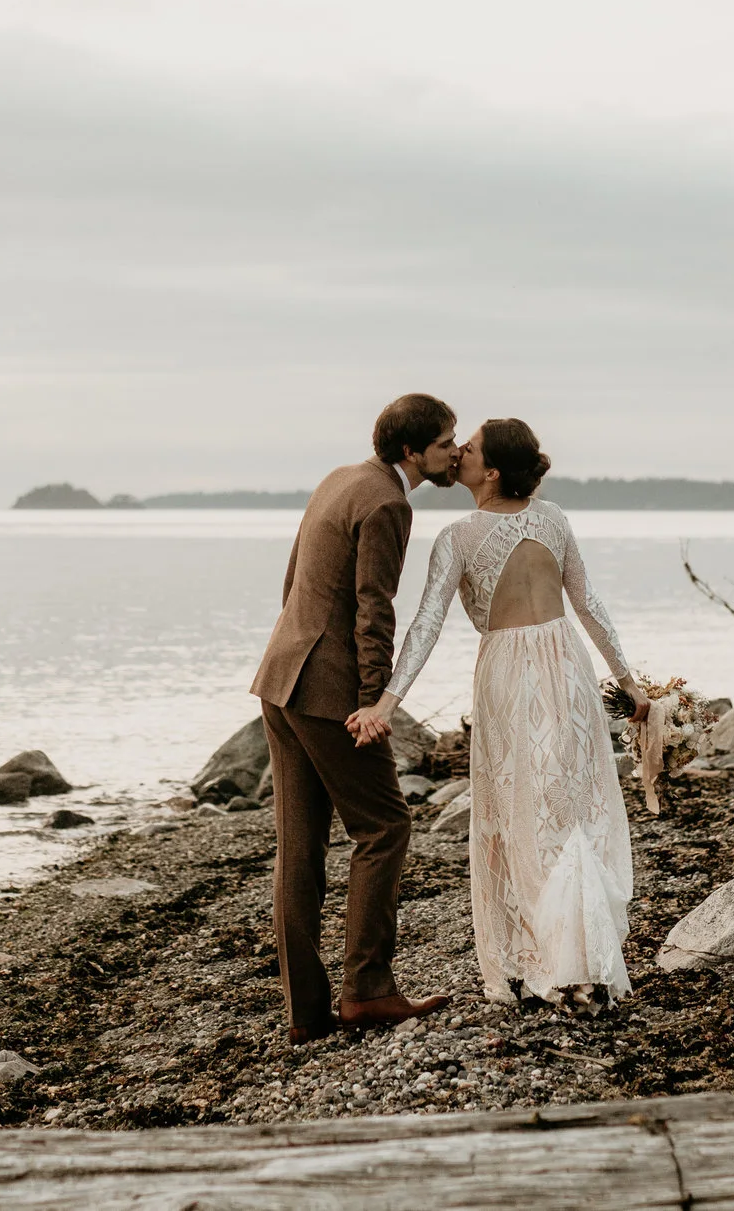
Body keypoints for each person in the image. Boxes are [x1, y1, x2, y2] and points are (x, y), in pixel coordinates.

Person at [350, 418, 644, 1009]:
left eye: (471, 446)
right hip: (567, 662)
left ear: (490, 472)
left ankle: (560, 961)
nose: (458, 450)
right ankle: (580, 959)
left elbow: (427, 623)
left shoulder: (458, 537)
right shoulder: (553, 517)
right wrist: (627, 681)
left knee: (523, 810)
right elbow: (587, 604)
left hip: (509, 675)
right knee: (569, 807)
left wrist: (386, 701)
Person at [248, 393, 460, 1043]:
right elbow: (375, 609)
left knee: (300, 846)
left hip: (281, 676)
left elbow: (293, 583)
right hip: (329, 694)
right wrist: (373, 700)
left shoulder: (339, 479)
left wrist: (295, 655)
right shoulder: (388, 502)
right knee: (385, 826)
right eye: (446, 442)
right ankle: (367, 990)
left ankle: (306, 1013)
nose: (455, 451)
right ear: (411, 451)